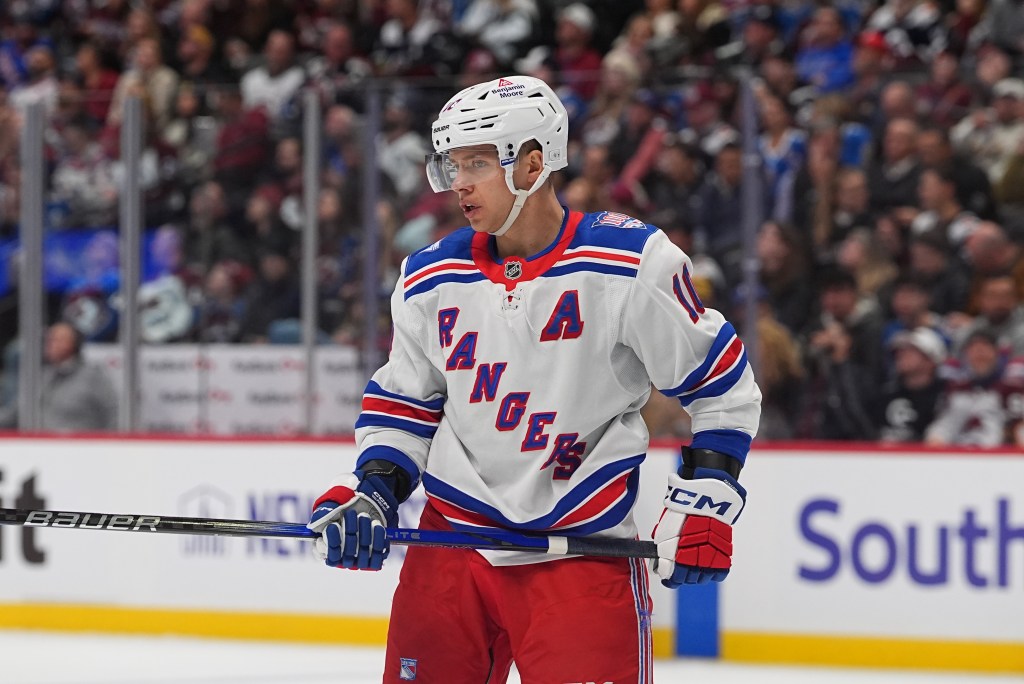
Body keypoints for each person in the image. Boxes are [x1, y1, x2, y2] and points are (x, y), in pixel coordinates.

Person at [306, 75, 761, 682]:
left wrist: (708, 494)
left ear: (533, 163)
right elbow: (406, 405)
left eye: (477, 162)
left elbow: (722, 386)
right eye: (452, 164)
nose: (459, 181)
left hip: (581, 549)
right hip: (452, 545)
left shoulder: (628, 263)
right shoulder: (428, 276)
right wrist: (374, 490)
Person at [0, 321, 117, 432]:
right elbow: (16, 412)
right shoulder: (42, 376)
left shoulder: (93, 377)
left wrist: (108, 443)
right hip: (40, 443)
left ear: (73, 344)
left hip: (81, 443)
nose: (50, 344)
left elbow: (113, 412)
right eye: (49, 340)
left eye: (56, 340)